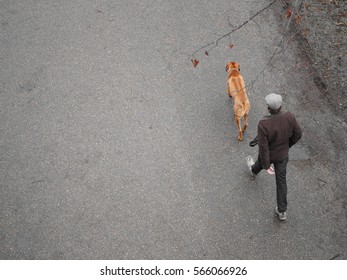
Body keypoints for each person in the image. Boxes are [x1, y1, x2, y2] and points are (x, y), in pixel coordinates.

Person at [247, 93, 302, 221]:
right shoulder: (290, 117)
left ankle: (253, 171)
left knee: (260, 163)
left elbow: (263, 147)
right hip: (283, 155)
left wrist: (267, 165)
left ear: (268, 108)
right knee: (281, 181)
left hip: (269, 155)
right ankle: (282, 211)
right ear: (281, 106)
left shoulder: (263, 123)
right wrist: (287, 145)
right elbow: (298, 134)